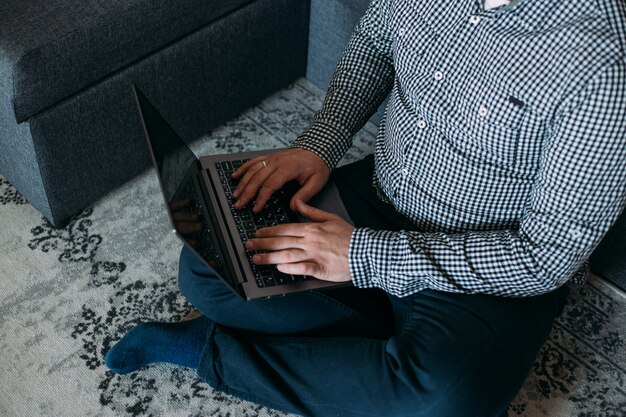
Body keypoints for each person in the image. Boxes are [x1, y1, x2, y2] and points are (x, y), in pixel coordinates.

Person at [105, 0, 626, 415]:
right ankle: (377, 340)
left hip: (487, 264)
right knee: (209, 266)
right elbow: (375, 42)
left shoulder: (602, 64)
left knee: (441, 400)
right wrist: (319, 143)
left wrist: (361, 258)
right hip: (381, 194)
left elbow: (546, 256)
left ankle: (209, 351)